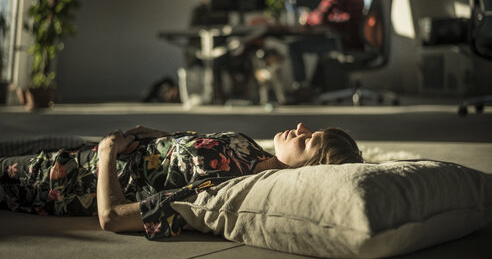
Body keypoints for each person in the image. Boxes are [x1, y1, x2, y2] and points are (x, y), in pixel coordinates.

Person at [0, 123, 362, 240]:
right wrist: (161, 135)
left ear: (305, 171)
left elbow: (112, 217)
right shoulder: (251, 149)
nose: (299, 128)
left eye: (307, 140)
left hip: (61, 181)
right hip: (79, 154)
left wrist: (108, 152)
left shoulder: (223, 187)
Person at [289, 0, 365, 89]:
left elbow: (320, 16)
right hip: (356, 40)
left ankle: (301, 89)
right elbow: (346, 16)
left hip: (343, 41)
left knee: (295, 46)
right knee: (322, 53)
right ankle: (315, 88)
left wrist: (306, 18)